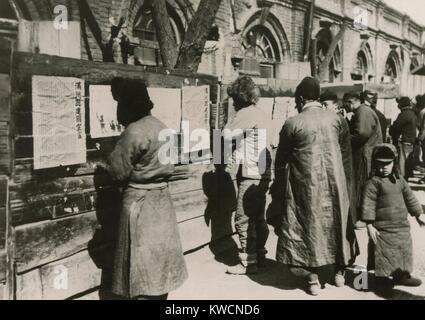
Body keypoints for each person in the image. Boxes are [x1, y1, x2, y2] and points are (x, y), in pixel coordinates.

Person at [272, 77, 359, 296]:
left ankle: (312, 277)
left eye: (296, 99)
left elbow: (280, 161)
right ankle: (340, 272)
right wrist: (347, 185)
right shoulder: (338, 120)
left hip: (305, 185)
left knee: (307, 225)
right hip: (336, 182)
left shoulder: (293, 123)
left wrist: (280, 189)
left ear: (301, 98)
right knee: (337, 221)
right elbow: (347, 157)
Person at [107, 78, 188, 300]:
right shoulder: (164, 128)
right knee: (160, 256)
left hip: (139, 203)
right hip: (162, 200)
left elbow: (118, 172)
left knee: (139, 260)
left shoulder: (133, 132)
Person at [223, 75, 272, 275]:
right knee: (258, 217)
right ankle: (260, 254)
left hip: (251, 172)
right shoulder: (261, 113)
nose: (233, 102)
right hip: (263, 173)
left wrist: (229, 120)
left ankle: (248, 262)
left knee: (243, 217)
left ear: (241, 97)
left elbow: (226, 135)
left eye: (234, 98)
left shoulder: (245, 113)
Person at [361, 144, 425, 293]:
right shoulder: (373, 183)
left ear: (394, 163)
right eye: (380, 164)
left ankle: (402, 275)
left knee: (403, 250)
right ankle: (381, 280)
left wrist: (417, 215)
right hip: (383, 228)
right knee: (384, 254)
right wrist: (369, 226)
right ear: (374, 163)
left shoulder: (400, 180)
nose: (384, 167)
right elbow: (368, 205)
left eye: (387, 163)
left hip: (401, 226)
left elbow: (410, 198)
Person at [343, 91, 383, 228]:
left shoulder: (363, 112)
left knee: (363, 186)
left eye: (345, 104)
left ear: (350, 101)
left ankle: (365, 219)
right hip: (365, 154)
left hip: (365, 156)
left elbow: (361, 134)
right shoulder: (364, 111)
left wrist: (345, 141)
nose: (345, 107)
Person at [389, 96, 417, 180]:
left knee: (402, 161)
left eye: (399, 103)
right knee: (408, 160)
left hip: (404, 140)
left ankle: (402, 178)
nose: (398, 105)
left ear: (402, 104)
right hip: (410, 140)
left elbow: (396, 126)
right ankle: (407, 176)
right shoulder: (412, 113)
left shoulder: (404, 114)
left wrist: (391, 128)